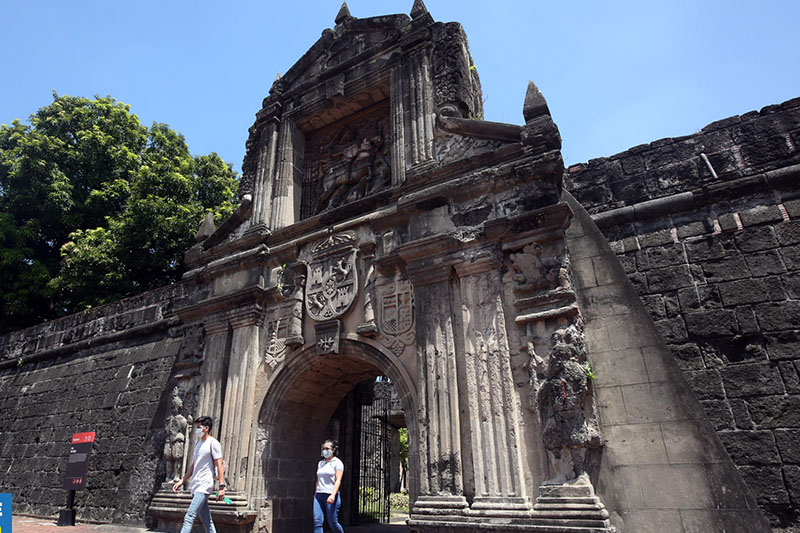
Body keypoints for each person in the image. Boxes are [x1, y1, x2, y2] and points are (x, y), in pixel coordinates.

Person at [173, 416, 226, 533]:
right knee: (207, 520)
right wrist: (182, 480)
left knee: (189, 516)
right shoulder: (199, 443)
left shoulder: (213, 443)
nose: (196, 430)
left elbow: (219, 465)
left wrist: (221, 487)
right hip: (196, 484)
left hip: (204, 485)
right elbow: (194, 465)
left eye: (198, 427)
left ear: (206, 428)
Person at [314, 439, 344, 533]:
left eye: (327, 448)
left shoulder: (337, 463)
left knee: (332, 523)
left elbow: (338, 480)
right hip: (319, 495)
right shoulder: (321, 463)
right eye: (324, 448)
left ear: (333, 450)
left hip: (330, 494)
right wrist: (315, 494)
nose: (325, 450)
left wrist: (333, 495)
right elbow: (318, 480)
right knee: (317, 522)